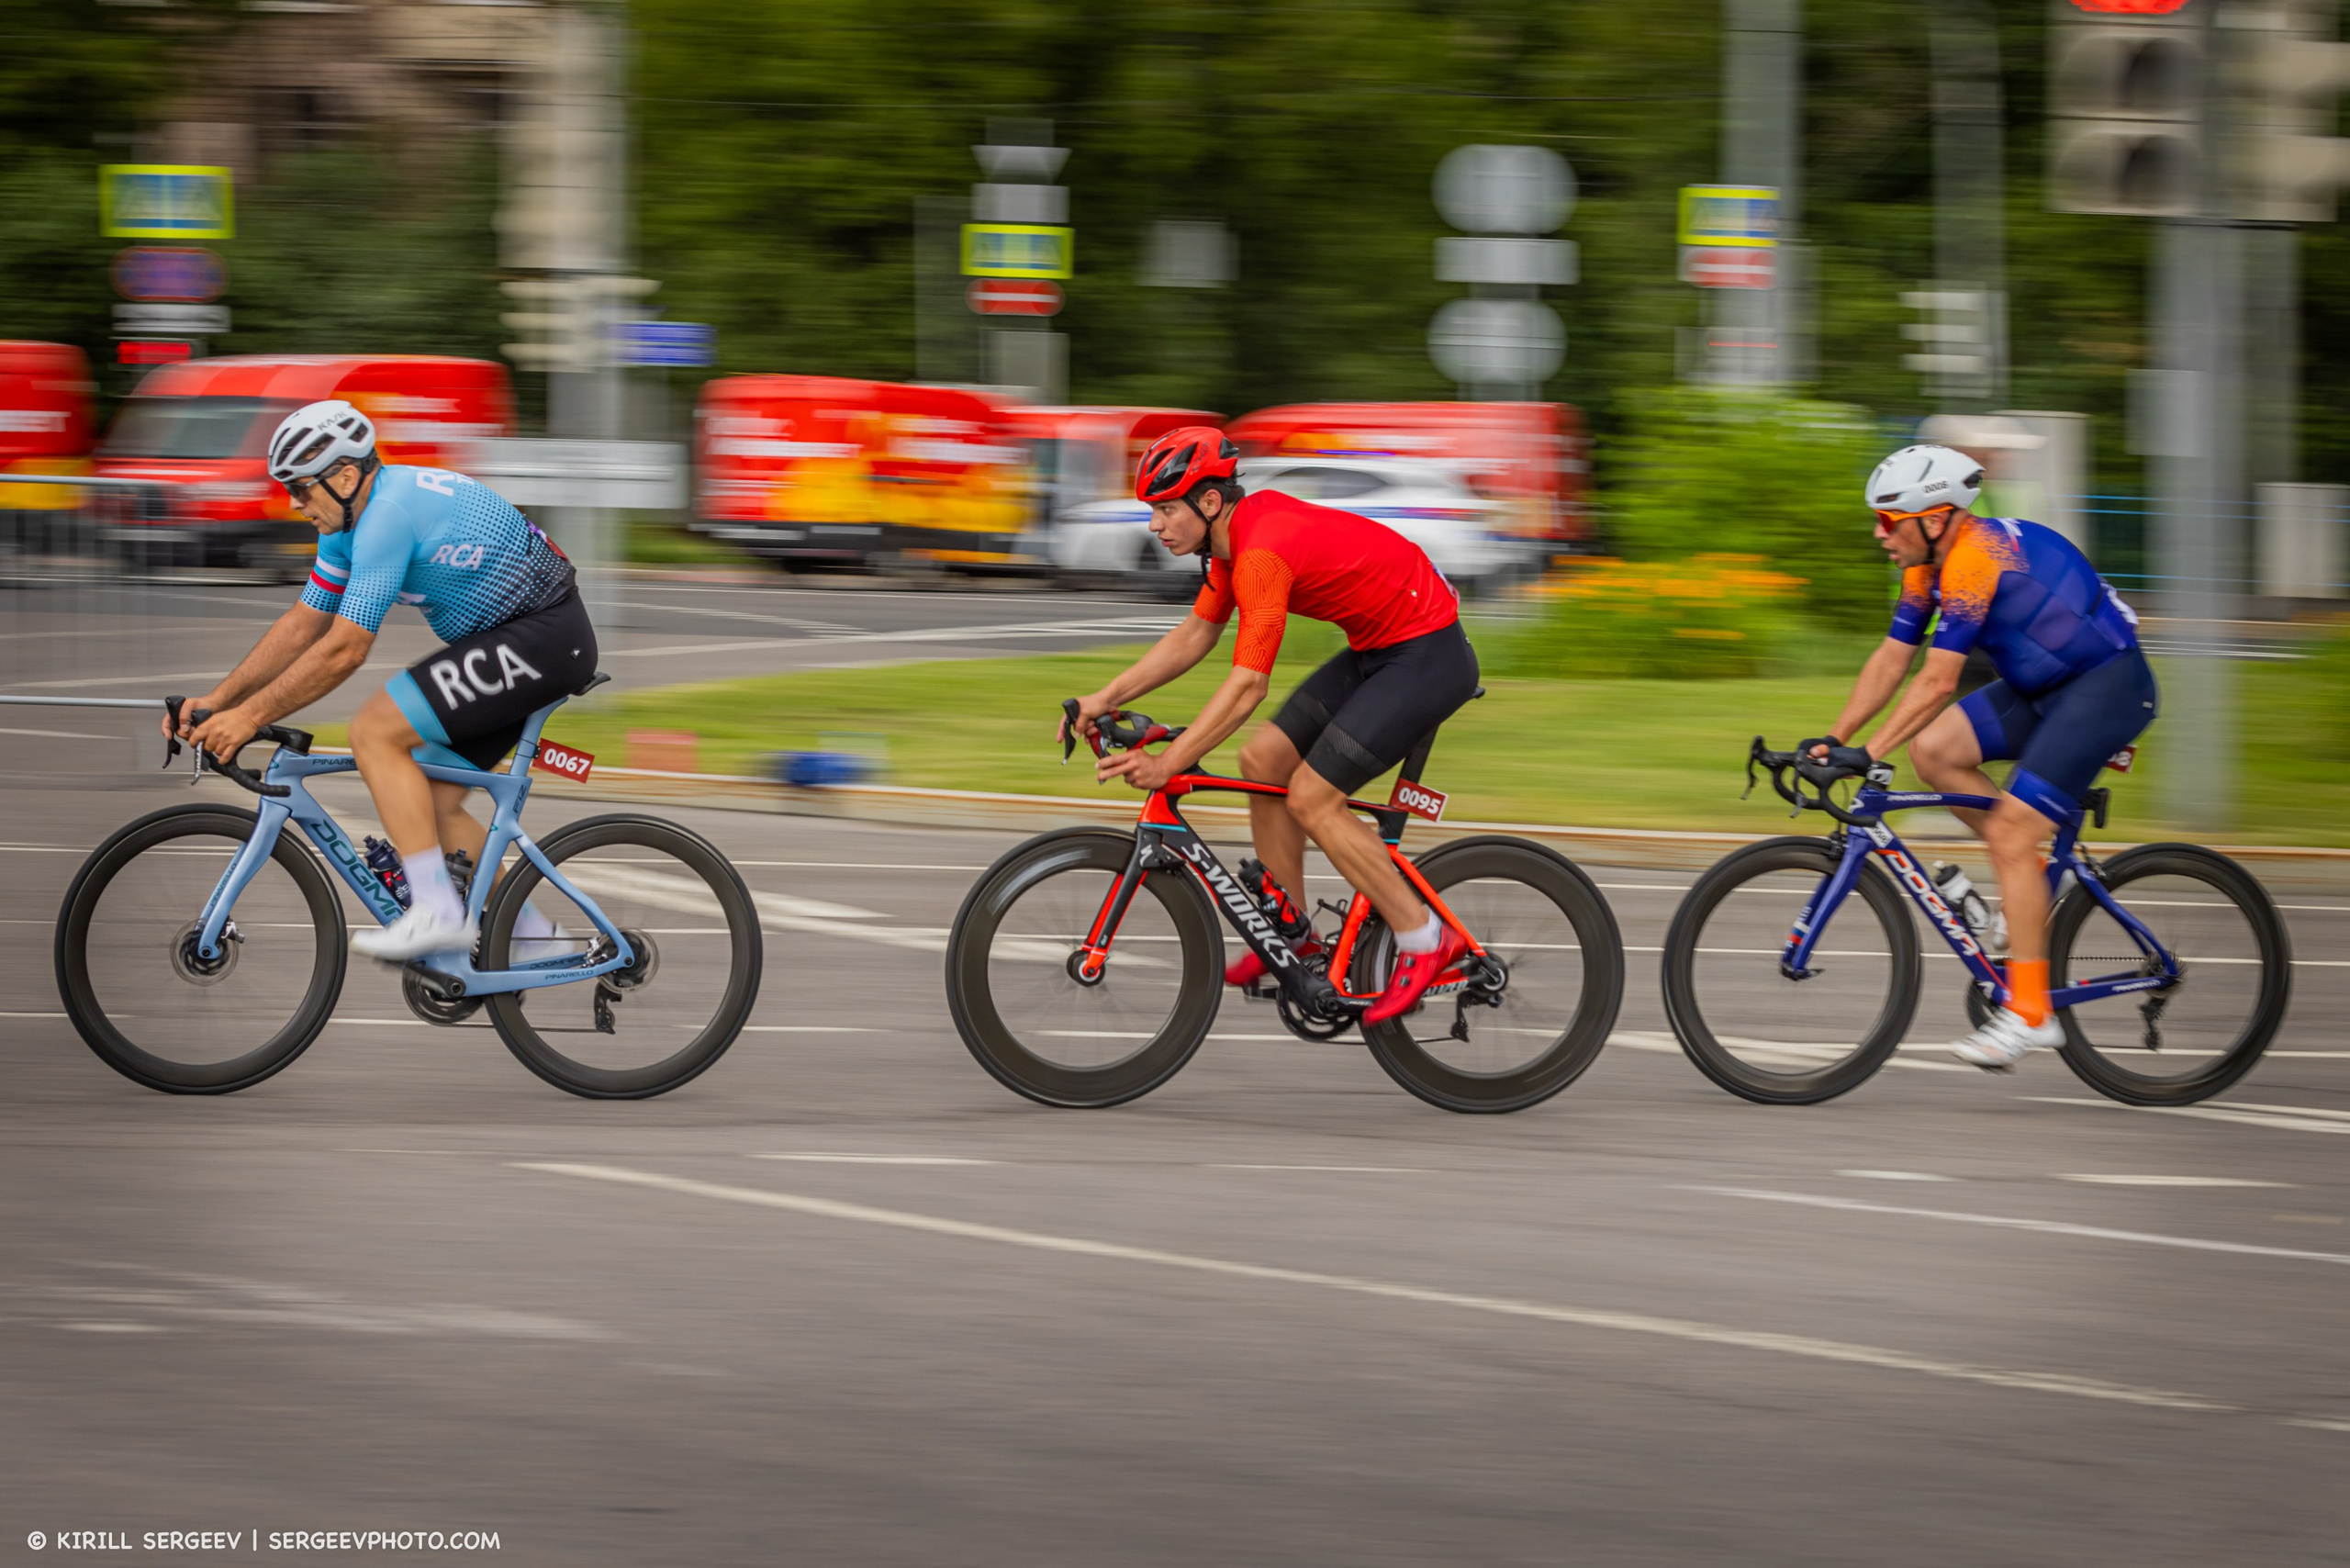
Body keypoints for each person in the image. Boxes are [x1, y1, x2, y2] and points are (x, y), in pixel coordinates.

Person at [1063, 427, 1481, 1025]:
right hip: (1380, 649)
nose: (1155, 526)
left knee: (1315, 799)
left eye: (1164, 509)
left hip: (1428, 657)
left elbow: (1247, 685)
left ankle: (1424, 938)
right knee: (1262, 759)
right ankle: (1296, 940)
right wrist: (1102, 698)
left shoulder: (1258, 553)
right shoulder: (1229, 546)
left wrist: (1169, 762)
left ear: (1209, 503)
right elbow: (1196, 636)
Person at [166, 399, 595, 962]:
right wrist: (218, 701)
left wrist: (247, 718)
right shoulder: (345, 522)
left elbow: (345, 649)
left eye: (302, 488)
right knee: (432, 803)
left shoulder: (386, 515)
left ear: (345, 475)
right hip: (521, 640)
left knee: (374, 731)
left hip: (543, 636)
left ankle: (438, 912)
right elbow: (304, 623)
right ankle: (536, 942)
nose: (295, 504)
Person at [1807, 442, 2158, 1069]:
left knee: (2009, 834)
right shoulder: (1925, 567)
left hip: (2105, 690)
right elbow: (1894, 661)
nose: (1878, 533)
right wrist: (1836, 740)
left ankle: (2032, 1013)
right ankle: (2028, 882)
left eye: (1888, 520)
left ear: (1934, 520)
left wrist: (1867, 753)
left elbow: (1938, 681)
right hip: (2045, 686)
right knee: (1934, 750)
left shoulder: (1972, 562)